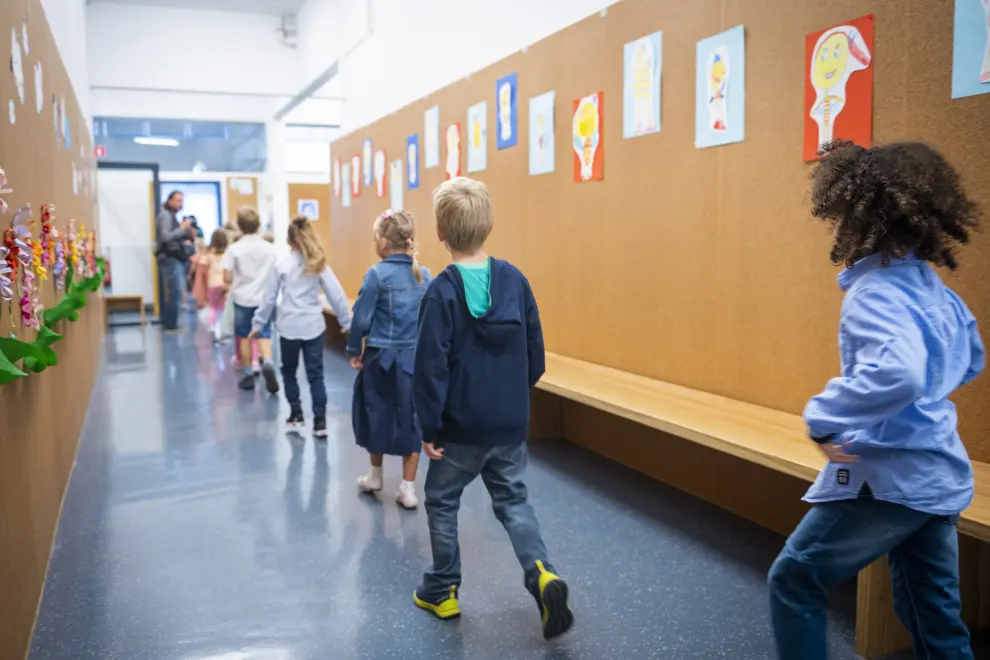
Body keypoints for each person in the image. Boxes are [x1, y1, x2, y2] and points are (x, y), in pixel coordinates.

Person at [767, 141, 984, 660]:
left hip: (891, 478)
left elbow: (899, 374)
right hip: (938, 474)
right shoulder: (932, 288)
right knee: (933, 615)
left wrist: (824, 415)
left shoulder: (876, 292)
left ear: (855, 214)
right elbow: (971, 358)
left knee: (794, 580)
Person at [411, 177, 573, 640]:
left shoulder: (441, 292)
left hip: (459, 429)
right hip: (508, 425)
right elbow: (535, 353)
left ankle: (442, 589)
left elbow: (430, 368)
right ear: (489, 224)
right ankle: (541, 572)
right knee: (513, 500)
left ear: (440, 231)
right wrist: (513, 400)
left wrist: (429, 425)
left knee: (442, 500)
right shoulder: (515, 281)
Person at [349, 210, 431, 509]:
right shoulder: (426, 275)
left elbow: (360, 320)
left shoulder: (376, 274)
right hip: (413, 360)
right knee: (412, 418)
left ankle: (375, 476)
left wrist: (353, 351)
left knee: (376, 412)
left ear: (383, 241)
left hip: (380, 358)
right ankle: (408, 489)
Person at [250, 216, 352, 438]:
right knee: (316, 375)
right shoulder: (318, 263)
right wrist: (346, 322)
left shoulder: (281, 265)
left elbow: (268, 299)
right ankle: (320, 422)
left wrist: (258, 324)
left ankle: (296, 415)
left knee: (289, 372)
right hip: (313, 327)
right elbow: (337, 295)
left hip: (288, 328)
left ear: (289, 242)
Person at [220, 206, 279, 393]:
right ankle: (268, 362)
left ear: (239, 225)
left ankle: (248, 373)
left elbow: (227, 278)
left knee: (244, 336)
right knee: (264, 333)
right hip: (264, 298)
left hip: (242, 299)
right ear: (258, 224)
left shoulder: (234, 249)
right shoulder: (270, 249)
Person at [155, 191, 195, 332]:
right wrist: (182, 229)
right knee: (176, 291)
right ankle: (171, 325)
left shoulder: (172, 217)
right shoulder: (165, 216)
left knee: (175, 291)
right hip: (169, 258)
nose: (180, 204)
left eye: (181, 201)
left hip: (174, 258)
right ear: (169, 200)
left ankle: (169, 322)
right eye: (177, 200)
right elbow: (165, 237)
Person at [203, 230, 229, 342]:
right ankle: (224, 331)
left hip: (212, 284)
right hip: (224, 283)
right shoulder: (227, 254)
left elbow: (202, 262)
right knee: (223, 308)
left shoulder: (210, 255)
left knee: (213, 306)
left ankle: (212, 327)